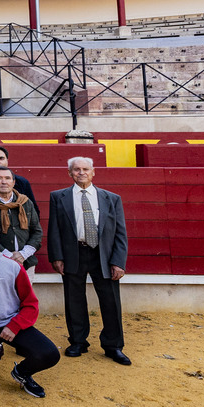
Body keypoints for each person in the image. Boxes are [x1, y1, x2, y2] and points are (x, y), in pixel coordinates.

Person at [0, 216, 60, 397]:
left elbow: (30, 304)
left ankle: (22, 373)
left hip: (8, 324)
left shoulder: (12, 266)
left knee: (49, 353)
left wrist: (14, 325)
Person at [48, 156, 130, 365]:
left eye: (85, 169)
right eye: (76, 169)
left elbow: (120, 232)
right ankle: (78, 341)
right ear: (70, 173)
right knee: (74, 299)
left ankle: (113, 346)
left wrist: (118, 261)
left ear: (93, 172)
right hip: (73, 252)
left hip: (103, 254)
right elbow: (54, 229)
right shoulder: (59, 197)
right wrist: (56, 256)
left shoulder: (111, 198)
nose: (81, 172)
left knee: (111, 301)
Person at [0, 167, 42, 270]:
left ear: (13, 182)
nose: (4, 182)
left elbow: (37, 231)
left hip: (26, 261)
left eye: (7, 178)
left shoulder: (25, 202)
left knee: (25, 287)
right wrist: (7, 255)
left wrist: (23, 254)